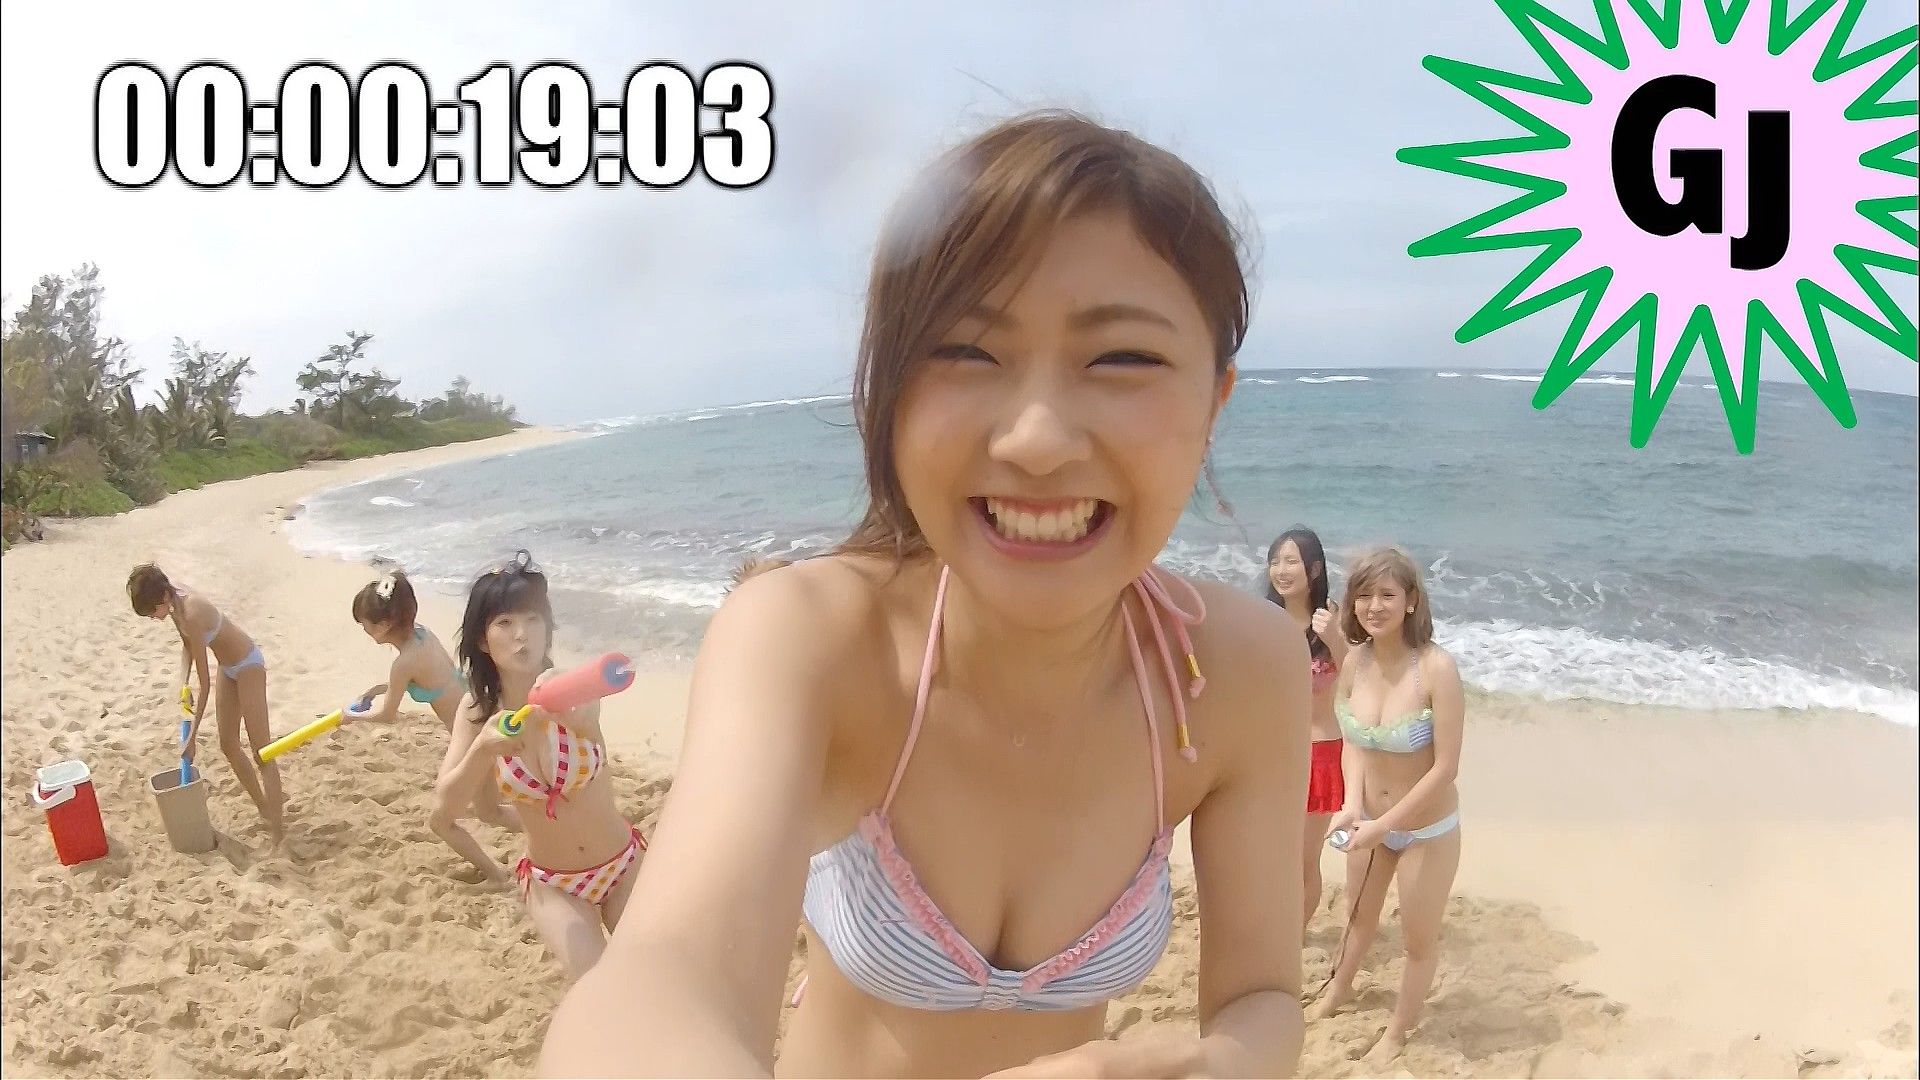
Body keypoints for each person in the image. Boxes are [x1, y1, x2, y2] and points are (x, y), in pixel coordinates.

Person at [541, 110, 1311, 1078]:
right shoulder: (812, 639)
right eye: (965, 352)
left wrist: (1220, 1067)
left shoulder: (1238, 671)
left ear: (1215, 400)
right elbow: (662, 976)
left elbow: (1262, 997)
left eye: (1123, 358)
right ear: (891, 393)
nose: (1037, 439)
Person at [432, 551, 646, 980]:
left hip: (623, 864)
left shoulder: (572, 688)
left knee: (650, 977)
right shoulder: (476, 714)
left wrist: (570, 713)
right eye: (504, 623)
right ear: (482, 640)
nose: (522, 635)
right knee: (596, 988)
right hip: (554, 883)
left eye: (532, 619)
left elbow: (587, 721)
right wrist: (483, 750)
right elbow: (444, 809)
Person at [1310, 546, 1465, 1063]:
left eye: (1387, 595)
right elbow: (1355, 739)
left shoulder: (1437, 669)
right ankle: (1337, 991)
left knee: (1416, 941)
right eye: (1364, 596)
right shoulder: (1355, 661)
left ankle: (1397, 1032)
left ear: (1411, 600)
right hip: (1368, 821)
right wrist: (1352, 805)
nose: (1374, 606)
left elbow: (1445, 768)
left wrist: (1385, 827)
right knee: (1358, 918)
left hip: (1426, 831)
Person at [342, 568, 513, 829]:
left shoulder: (403, 664)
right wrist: (374, 691)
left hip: (469, 730)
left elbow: (387, 716)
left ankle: (549, 835)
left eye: (363, 623)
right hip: (480, 707)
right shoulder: (422, 634)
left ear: (384, 625)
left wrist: (350, 717)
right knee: (491, 806)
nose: (363, 628)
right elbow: (421, 679)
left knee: (458, 817)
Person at [126, 563, 284, 836]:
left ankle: (279, 832)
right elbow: (187, 646)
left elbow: (206, 685)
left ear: (163, 597)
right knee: (229, 745)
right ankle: (265, 809)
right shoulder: (174, 606)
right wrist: (182, 683)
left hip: (248, 664)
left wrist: (192, 738)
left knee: (262, 752)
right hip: (228, 667)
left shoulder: (191, 613)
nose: (153, 617)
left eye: (152, 611)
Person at [1264, 527, 1349, 930]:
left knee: (1300, 859)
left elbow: (1360, 681)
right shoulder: (1264, 621)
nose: (1281, 570)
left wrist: (1335, 639)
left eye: (1291, 561)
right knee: (1268, 856)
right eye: (1275, 561)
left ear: (1314, 569)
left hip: (1319, 754)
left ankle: (1291, 938)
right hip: (1268, 754)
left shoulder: (1330, 621)